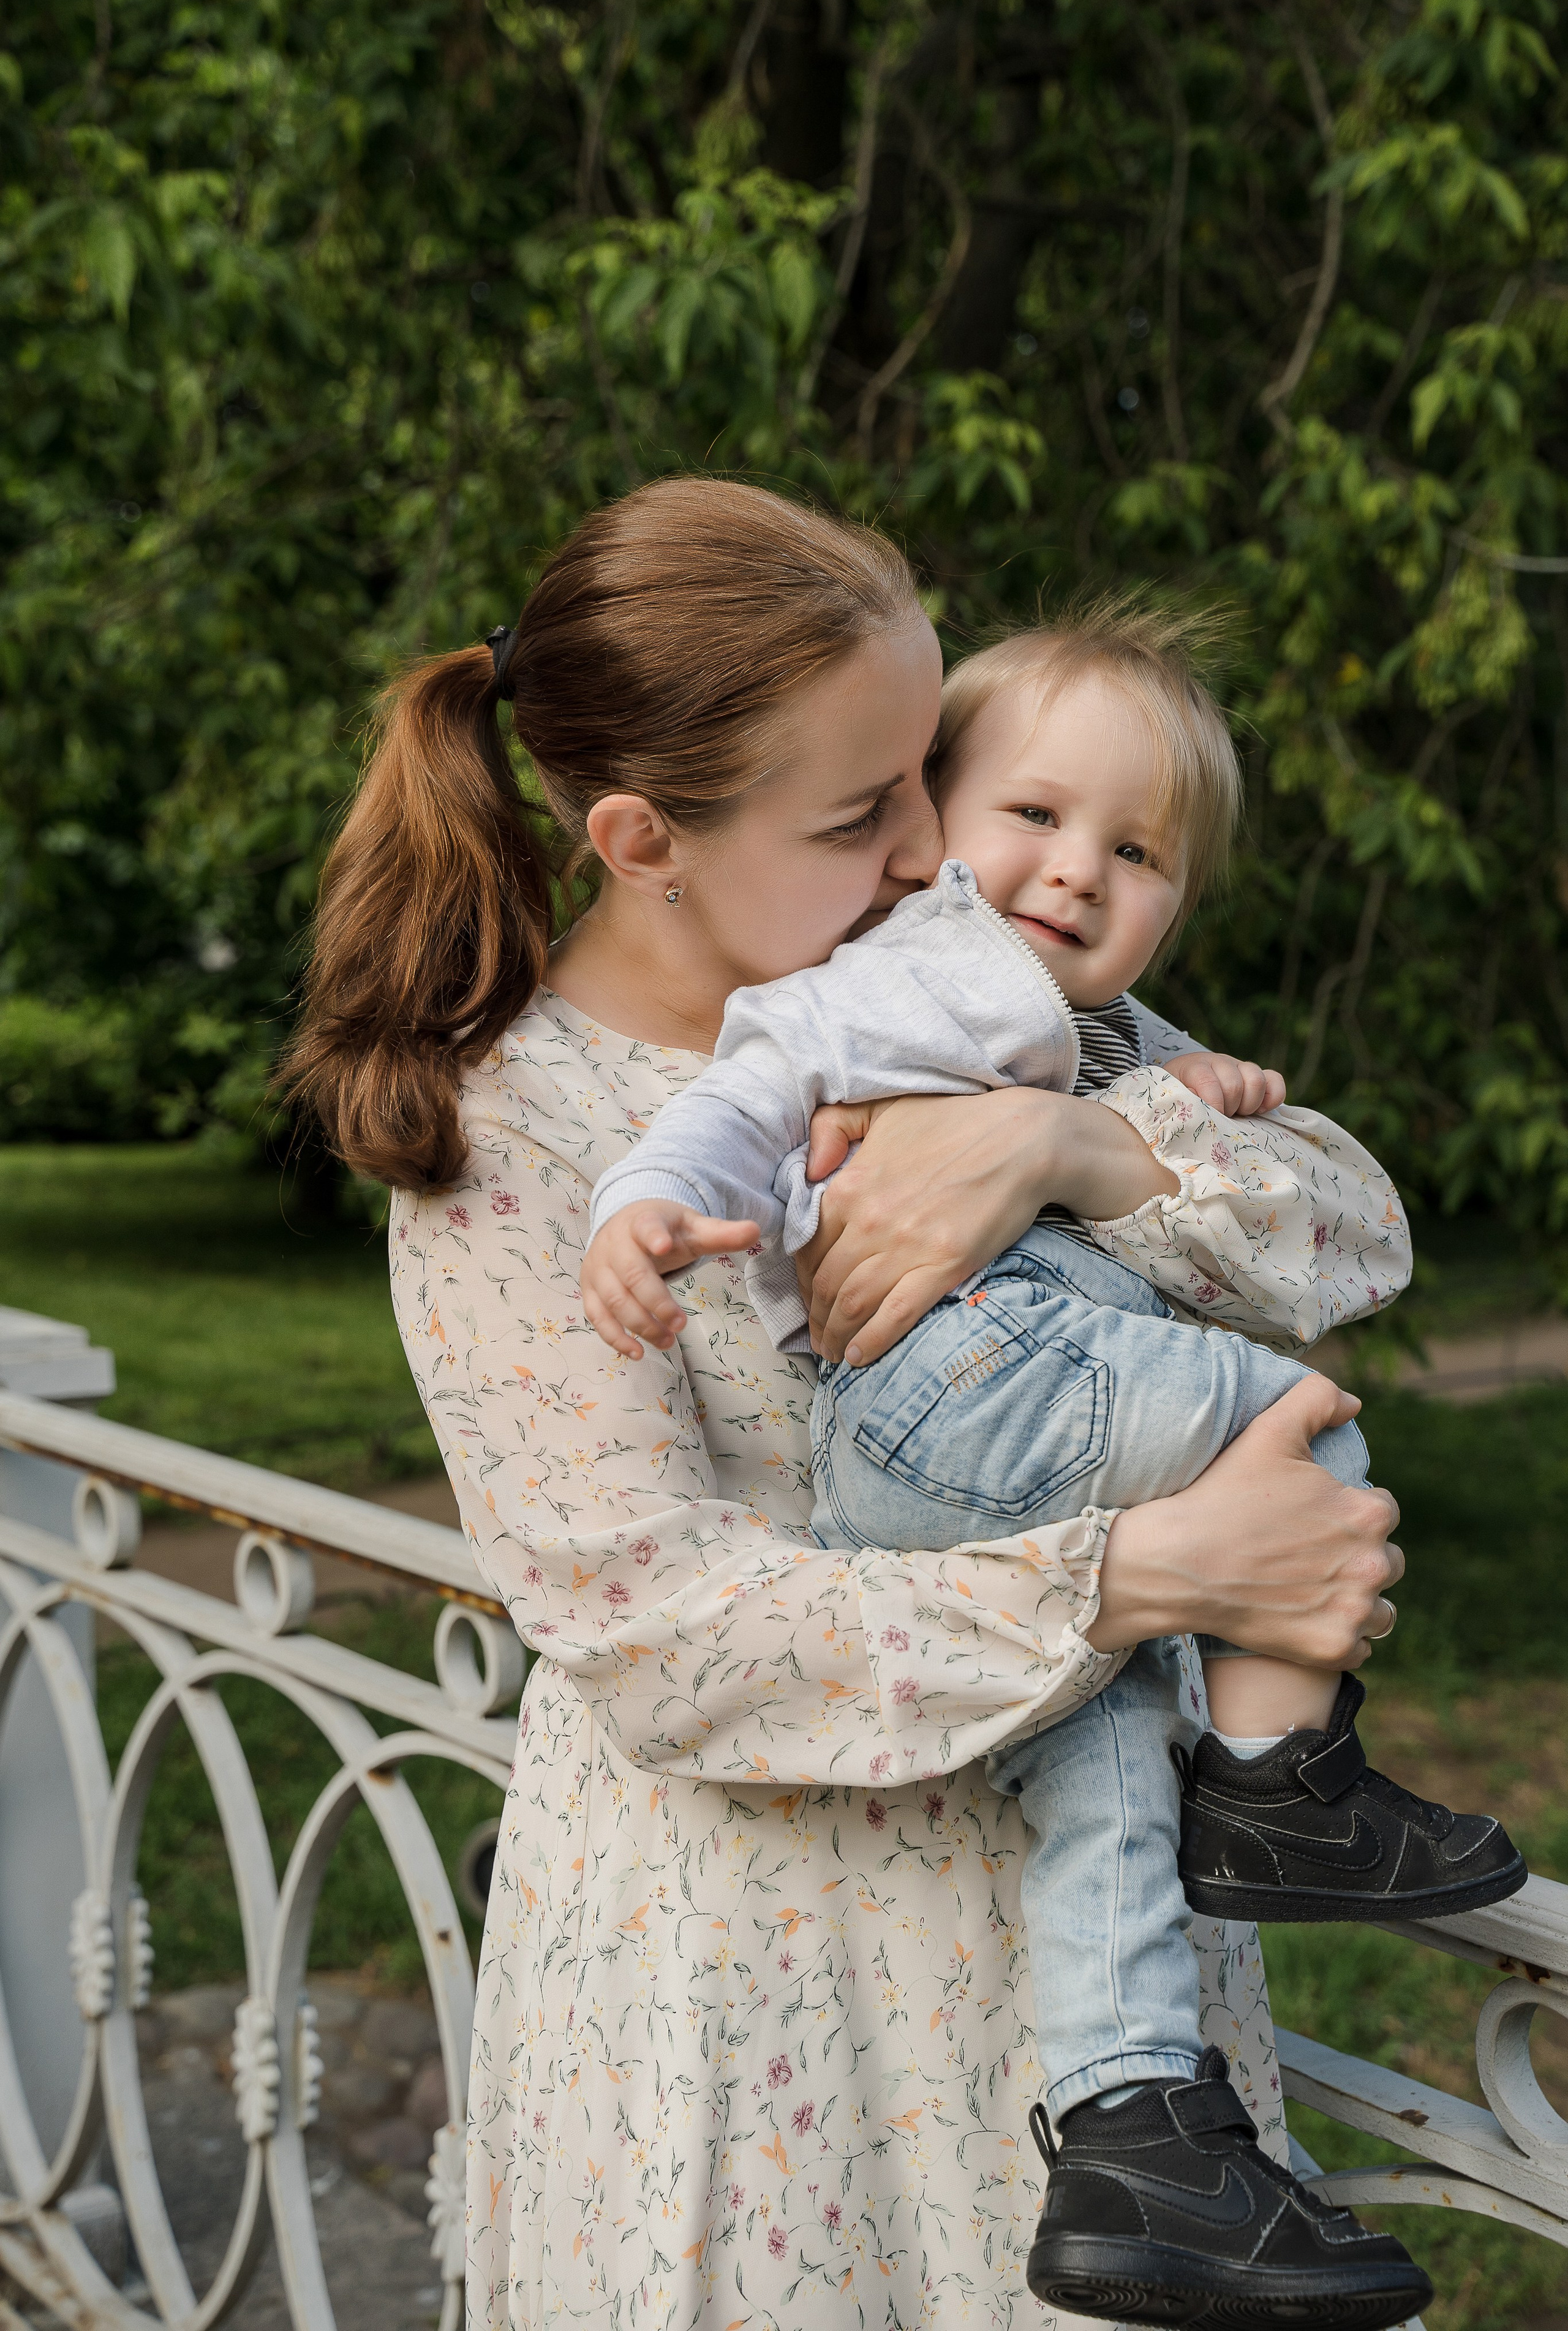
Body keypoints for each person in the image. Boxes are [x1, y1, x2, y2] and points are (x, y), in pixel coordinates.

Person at [286, 477, 1415, 2329]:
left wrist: (1055, 1148)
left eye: (925, 777)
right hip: (763, 1978)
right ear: (645, 839)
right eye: (863, 810)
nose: (927, 848)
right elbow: (655, 1631)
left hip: (1097, 1941)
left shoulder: (957, 996)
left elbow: (1351, 1230)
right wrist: (1156, 1576)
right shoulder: (525, 1136)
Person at [580, 602, 1523, 2322]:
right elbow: (746, 1088)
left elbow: (1355, 1229)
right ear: (926, 821)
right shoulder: (912, 970)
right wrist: (641, 1204)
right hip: (957, 1397)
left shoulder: (1099, 1029)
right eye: (1034, 814)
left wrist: (1143, 1102)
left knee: (1110, 1776)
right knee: (1296, 1421)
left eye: (1139, 852)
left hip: (986, 1488)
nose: (1081, 870)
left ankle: (1131, 2136)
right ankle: (1281, 1786)